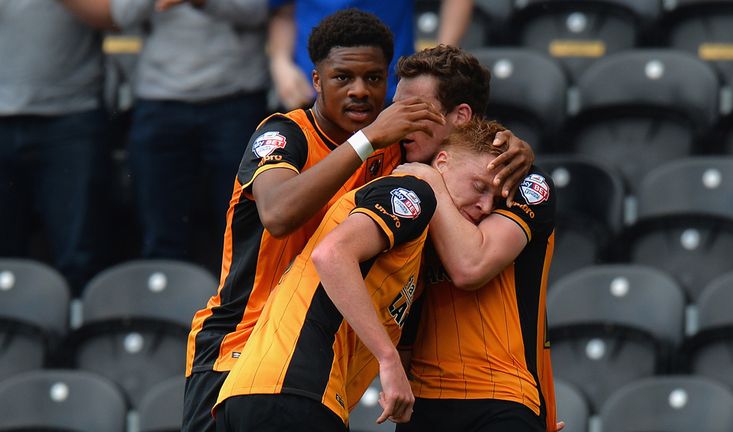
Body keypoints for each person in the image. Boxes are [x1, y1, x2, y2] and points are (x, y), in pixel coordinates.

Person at [182, 10, 532, 431]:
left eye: (373, 78)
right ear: (316, 81)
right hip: (235, 344)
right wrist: (366, 141)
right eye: (342, 77)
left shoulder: (394, 156)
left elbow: (455, 155)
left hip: (313, 360)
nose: (360, 91)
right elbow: (277, 215)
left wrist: (510, 146)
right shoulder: (285, 133)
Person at [214, 118, 508, 432]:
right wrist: (388, 358)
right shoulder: (414, 190)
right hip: (293, 390)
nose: (486, 206)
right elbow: (332, 255)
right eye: (479, 186)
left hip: (263, 391)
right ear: (442, 162)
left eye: (495, 199)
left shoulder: (415, 244)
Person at [390, 56, 564, 432]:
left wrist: (432, 180)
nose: (397, 119)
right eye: (395, 106)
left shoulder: (520, 179)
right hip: (423, 405)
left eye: (414, 109)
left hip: (502, 399)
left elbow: (471, 266)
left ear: (461, 116)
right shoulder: (397, 177)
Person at [59, 0, 272, 265]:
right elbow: (121, 14)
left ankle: (239, 304)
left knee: (242, 232)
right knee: (160, 235)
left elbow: (260, 11)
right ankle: (163, 300)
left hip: (236, 99)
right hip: (159, 101)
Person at [0, 1, 110, 294]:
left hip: (71, 116)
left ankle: (78, 335)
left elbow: (117, 15)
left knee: (78, 256)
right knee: (5, 254)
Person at [268, 0, 475, 109]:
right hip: (309, 91)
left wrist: (438, 60)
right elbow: (284, 12)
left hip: (391, 93)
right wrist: (281, 63)